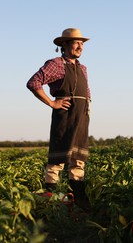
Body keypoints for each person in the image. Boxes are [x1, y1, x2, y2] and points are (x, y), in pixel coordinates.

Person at [26, 28, 91, 208]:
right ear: (64, 45)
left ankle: (78, 201)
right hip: (65, 116)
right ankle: (51, 200)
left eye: (82, 43)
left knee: (78, 159)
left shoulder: (82, 68)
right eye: (76, 43)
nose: (80, 46)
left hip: (82, 116)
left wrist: (87, 109)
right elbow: (33, 83)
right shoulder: (56, 64)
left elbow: (86, 93)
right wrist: (52, 103)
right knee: (58, 158)